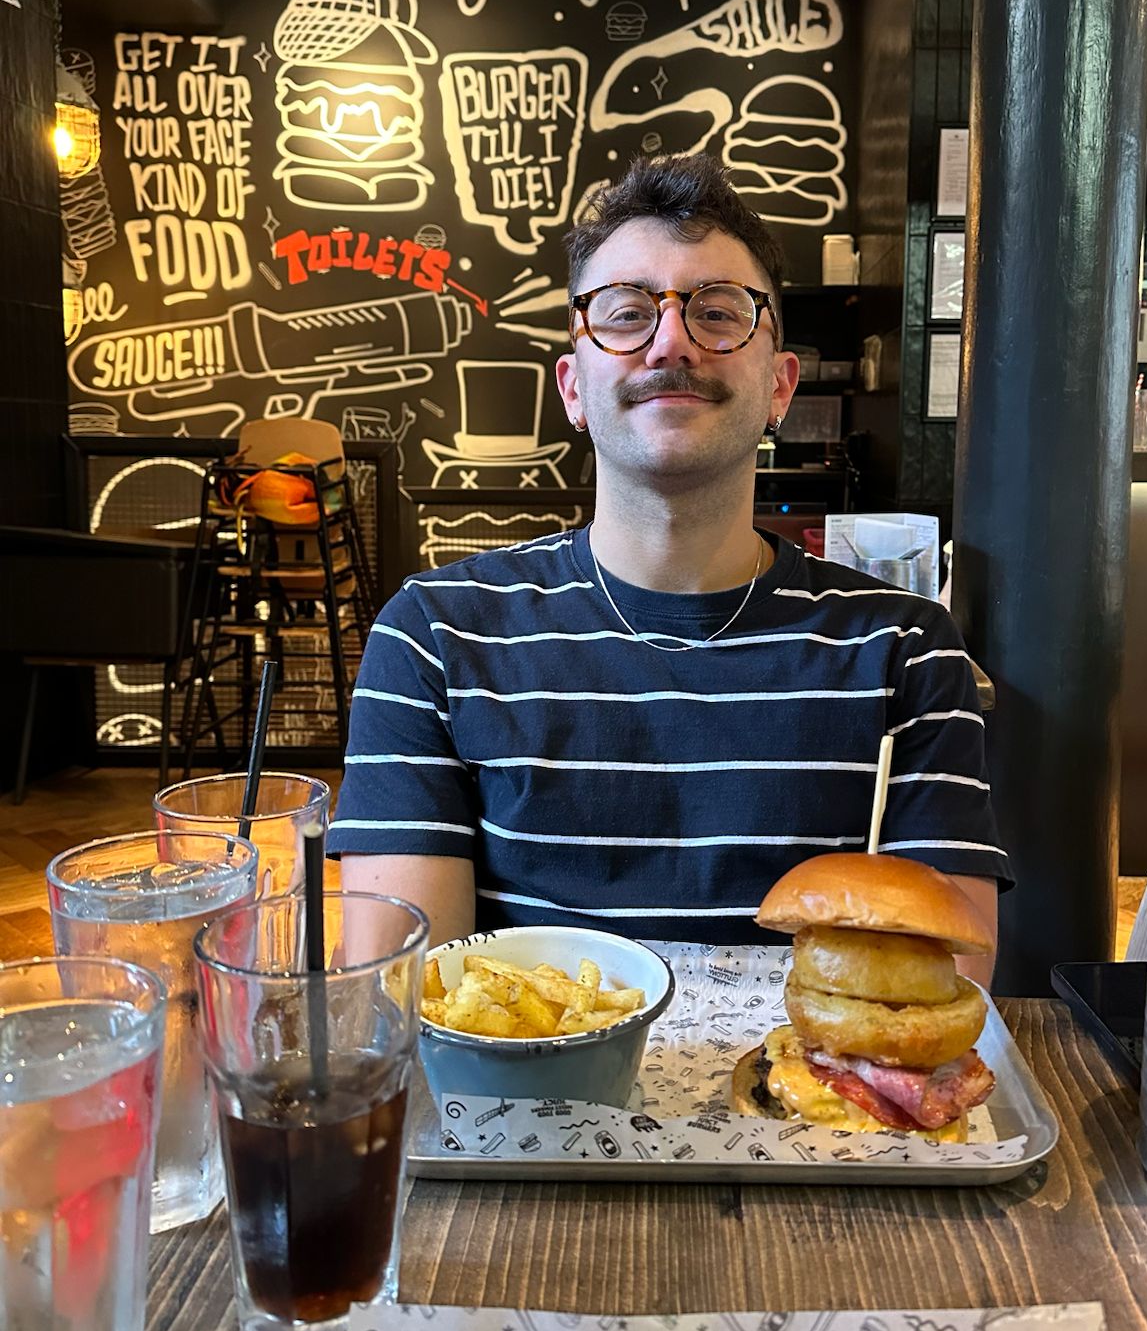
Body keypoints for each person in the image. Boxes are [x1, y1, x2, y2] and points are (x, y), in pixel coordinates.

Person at [330, 153, 1010, 982]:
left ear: (781, 387)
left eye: (718, 313)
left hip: (819, 1073)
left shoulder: (906, 648)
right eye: (625, 314)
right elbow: (401, 992)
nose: (671, 341)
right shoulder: (436, 636)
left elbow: (942, 995)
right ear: (573, 388)